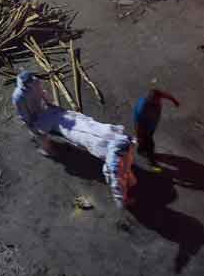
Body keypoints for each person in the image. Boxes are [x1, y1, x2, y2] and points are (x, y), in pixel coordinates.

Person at [12, 72, 136, 206]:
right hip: (38, 117)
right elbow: (24, 114)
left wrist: (51, 105)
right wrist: (31, 123)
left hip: (51, 113)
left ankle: (128, 183)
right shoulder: (19, 97)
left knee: (86, 127)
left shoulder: (119, 149)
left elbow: (43, 94)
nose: (36, 83)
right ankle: (49, 150)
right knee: (41, 134)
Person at [133, 89, 179, 172]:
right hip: (144, 130)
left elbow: (165, 95)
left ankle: (140, 150)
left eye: (159, 99)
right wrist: (140, 137)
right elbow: (138, 126)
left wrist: (174, 100)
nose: (159, 102)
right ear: (150, 99)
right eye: (156, 100)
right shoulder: (143, 109)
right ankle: (151, 161)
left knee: (144, 143)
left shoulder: (156, 97)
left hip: (151, 127)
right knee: (150, 145)